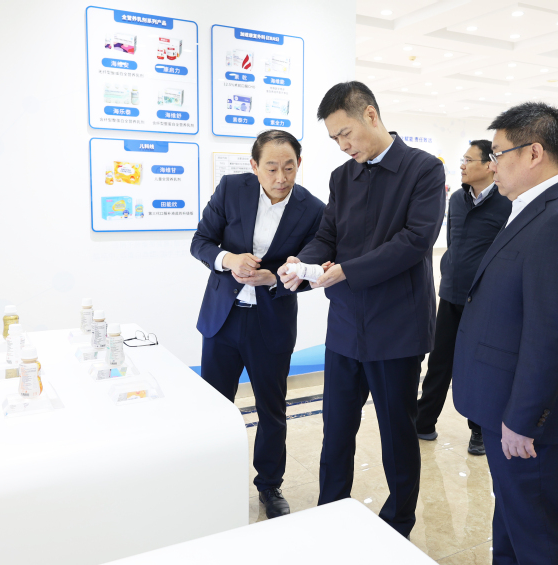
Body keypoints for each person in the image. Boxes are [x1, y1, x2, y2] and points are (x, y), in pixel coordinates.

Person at [278, 81, 445, 538]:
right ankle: (330, 511)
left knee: (396, 433)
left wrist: (347, 271)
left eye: (345, 133)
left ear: (370, 114)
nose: (342, 145)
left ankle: (398, 523)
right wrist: (302, 263)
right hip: (346, 326)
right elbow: (327, 236)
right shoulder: (342, 177)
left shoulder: (423, 169)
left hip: (397, 328)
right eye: (334, 138)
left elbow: (415, 241)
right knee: (336, 429)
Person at [451, 102, 558, 565]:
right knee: (513, 525)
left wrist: (522, 419)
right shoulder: (533, 208)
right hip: (506, 404)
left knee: (536, 534)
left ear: (534, 152)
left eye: (498, 153)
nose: (492, 164)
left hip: (530, 420)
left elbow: (551, 336)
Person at [190, 130, 325, 519]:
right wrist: (229, 260)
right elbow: (201, 242)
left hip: (271, 321)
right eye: (271, 168)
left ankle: (269, 485)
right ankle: (211, 477)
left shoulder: (313, 209)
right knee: (215, 406)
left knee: (272, 409)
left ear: (299, 164)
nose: (281, 178)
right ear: (254, 166)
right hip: (223, 318)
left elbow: (313, 270)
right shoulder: (232, 189)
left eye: (289, 168)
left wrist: (275, 279)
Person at [416, 140, 511, 456]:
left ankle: (479, 431)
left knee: (479, 367)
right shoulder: (456, 199)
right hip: (452, 293)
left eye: (469, 160)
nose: (462, 165)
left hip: (484, 300)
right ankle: (424, 421)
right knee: (439, 361)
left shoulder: (506, 202)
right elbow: (452, 242)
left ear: (489, 165)